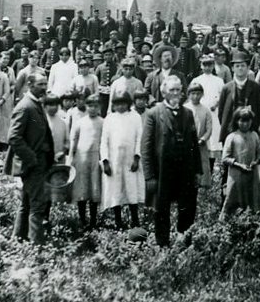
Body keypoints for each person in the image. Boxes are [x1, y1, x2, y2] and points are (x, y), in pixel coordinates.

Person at [141, 76, 202, 246]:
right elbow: (146, 147)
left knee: (187, 208)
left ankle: (184, 241)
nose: (176, 93)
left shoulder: (188, 113)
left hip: (185, 170)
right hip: (163, 171)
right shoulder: (154, 113)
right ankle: (163, 244)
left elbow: (194, 144)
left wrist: (198, 171)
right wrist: (149, 176)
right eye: (172, 90)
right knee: (161, 210)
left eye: (178, 90)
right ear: (163, 92)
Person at [5, 72, 55, 244]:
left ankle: (18, 238)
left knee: (26, 202)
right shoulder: (25, 106)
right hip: (32, 163)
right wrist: (32, 158)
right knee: (37, 205)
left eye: (45, 84)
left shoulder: (36, 104)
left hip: (38, 161)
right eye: (40, 84)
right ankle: (36, 246)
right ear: (29, 84)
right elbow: (13, 138)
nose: (44, 87)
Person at [100, 90, 144, 230]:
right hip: (114, 160)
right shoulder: (109, 118)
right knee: (115, 189)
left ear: (129, 104)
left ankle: (135, 220)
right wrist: (105, 161)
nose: (120, 106)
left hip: (130, 159)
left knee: (131, 189)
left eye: (123, 103)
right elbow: (104, 141)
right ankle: (118, 221)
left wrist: (137, 157)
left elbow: (139, 138)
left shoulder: (135, 117)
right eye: (117, 104)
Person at [220, 106, 260, 217]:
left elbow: (259, 153)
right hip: (236, 175)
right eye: (242, 121)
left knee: (251, 199)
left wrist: (256, 161)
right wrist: (239, 165)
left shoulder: (254, 135)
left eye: (248, 121)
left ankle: (251, 223)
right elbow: (225, 158)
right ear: (236, 121)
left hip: (252, 174)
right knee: (234, 199)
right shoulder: (232, 136)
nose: (245, 124)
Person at [69, 94, 104, 230]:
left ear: (99, 107)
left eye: (95, 106)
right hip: (82, 158)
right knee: (82, 189)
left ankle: (94, 221)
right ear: (86, 106)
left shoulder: (102, 122)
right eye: (90, 106)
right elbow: (73, 140)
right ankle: (82, 219)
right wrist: (71, 157)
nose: (92, 109)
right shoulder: (80, 122)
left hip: (96, 158)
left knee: (94, 188)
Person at [184, 82, 214, 189]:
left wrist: (203, 139)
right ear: (188, 94)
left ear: (202, 94)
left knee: (201, 164)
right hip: (186, 144)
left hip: (200, 144)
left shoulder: (205, 110)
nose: (195, 96)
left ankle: (201, 184)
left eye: (198, 93)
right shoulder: (184, 108)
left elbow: (209, 128)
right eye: (193, 93)